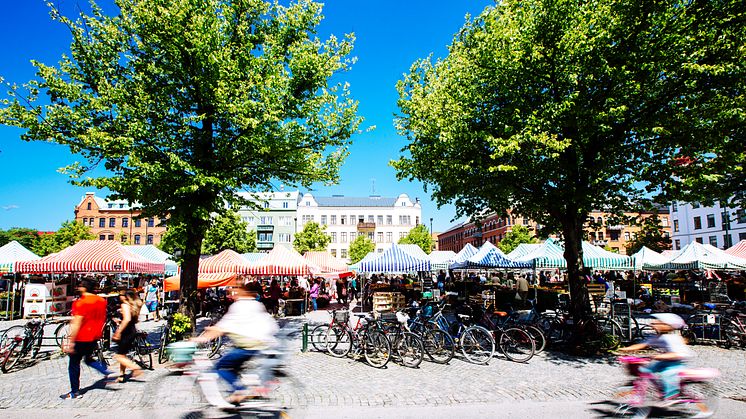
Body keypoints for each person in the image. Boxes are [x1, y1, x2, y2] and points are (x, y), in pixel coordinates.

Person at [193, 282, 278, 404]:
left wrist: (201, 338)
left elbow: (223, 327)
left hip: (248, 346)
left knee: (221, 367)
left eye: (234, 290)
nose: (232, 293)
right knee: (234, 366)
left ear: (241, 291)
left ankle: (240, 390)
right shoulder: (257, 304)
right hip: (261, 344)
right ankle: (245, 389)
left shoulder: (239, 306)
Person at [618, 313, 694, 403]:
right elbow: (642, 344)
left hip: (676, 363)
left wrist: (658, 356)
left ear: (667, 326)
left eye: (658, 323)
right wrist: (624, 349)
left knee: (667, 375)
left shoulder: (672, 338)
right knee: (646, 371)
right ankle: (654, 389)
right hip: (664, 361)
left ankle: (671, 395)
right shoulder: (657, 337)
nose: (653, 324)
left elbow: (678, 354)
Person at [61, 280, 113, 399]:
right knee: (88, 359)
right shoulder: (101, 301)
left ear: (84, 288)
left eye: (79, 286)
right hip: (94, 336)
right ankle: (107, 372)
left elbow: (77, 322)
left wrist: (70, 340)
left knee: (74, 364)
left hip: (81, 336)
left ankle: (75, 392)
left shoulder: (81, 302)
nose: (78, 288)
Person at [112, 289, 144, 382]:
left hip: (126, 332)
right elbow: (133, 320)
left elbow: (127, 319)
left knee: (119, 356)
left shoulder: (125, 305)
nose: (119, 297)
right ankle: (121, 375)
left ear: (126, 297)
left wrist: (118, 331)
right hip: (132, 330)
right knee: (123, 354)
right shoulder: (134, 306)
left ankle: (135, 368)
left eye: (121, 295)